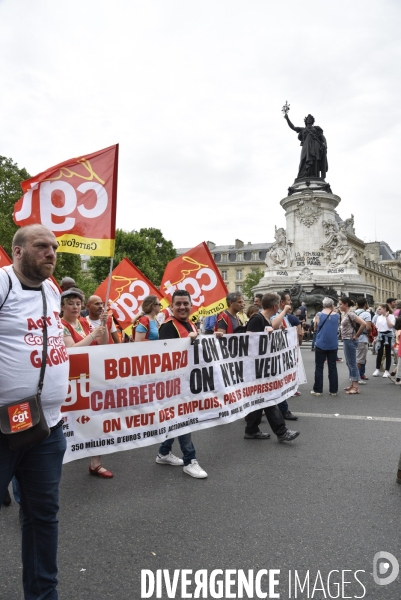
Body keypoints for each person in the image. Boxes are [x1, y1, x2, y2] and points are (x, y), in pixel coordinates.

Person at [0, 224, 70, 599]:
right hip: (2, 428)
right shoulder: (3, 283)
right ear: (18, 252)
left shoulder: (51, 288)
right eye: (42, 246)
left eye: (54, 247)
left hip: (46, 428)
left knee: (43, 518)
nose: (51, 253)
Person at [61, 288, 113, 479]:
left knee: (96, 418)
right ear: (63, 306)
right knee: (71, 420)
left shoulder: (84, 322)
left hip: (91, 377)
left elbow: (103, 344)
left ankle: (95, 463)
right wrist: (92, 335)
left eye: (77, 303)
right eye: (70, 303)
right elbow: (71, 349)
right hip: (72, 381)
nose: (75, 307)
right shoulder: (61, 325)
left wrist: (104, 325)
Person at [156, 290, 207, 478]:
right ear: (172, 307)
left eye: (185, 303)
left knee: (177, 418)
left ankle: (163, 452)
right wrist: (188, 341)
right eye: (178, 304)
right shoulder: (168, 326)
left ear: (191, 305)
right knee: (183, 418)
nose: (182, 307)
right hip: (174, 383)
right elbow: (166, 355)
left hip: (187, 380)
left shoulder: (190, 323)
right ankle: (189, 460)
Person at [245, 293, 300, 442]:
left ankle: (251, 429)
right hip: (256, 367)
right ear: (275, 306)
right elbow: (247, 340)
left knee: (260, 399)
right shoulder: (257, 318)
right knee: (269, 399)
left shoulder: (265, 319)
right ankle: (281, 432)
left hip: (262, 367)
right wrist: (265, 333)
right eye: (278, 307)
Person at [271, 291, 300, 417]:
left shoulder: (285, 317)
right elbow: (274, 325)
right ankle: (283, 410)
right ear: (282, 303)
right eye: (288, 300)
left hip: (283, 355)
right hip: (276, 356)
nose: (291, 303)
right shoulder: (276, 316)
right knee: (278, 383)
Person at [310, 298, 340, 396]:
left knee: (319, 367)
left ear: (323, 305)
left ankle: (318, 390)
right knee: (332, 367)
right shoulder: (337, 315)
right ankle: (333, 390)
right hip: (333, 344)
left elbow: (315, 327)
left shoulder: (319, 315)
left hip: (321, 343)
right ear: (332, 305)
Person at [284, 112, 328, 179]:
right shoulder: (303, 129)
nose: (309, 119)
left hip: (315, 146)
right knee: (304, 159)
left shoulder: (316, 129)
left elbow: (322, 137)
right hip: (306, 146)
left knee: (315, 160)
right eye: (307, 118)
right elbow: (293, 127)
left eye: (310, 119)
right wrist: (287, 119)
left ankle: (315, 176)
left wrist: (325, 143)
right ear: (306, 120)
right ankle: (303, 175)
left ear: (312, 121)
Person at [338, 297, 366, 394]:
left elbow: (363, 323)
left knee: (352, 363)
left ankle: (355, 387)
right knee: (349, 363)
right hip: (347, 339)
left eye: (341, 304)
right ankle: (352, 384)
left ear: (346, 304)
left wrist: (356, 335)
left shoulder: (350, 313)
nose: (339, 306)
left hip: (350, 339)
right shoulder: (346, 314)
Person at [372, 304, 396, 378]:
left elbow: (391, 326)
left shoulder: (391, 316)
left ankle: (387, 370)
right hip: (380, 335)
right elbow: (377, 328)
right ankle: (377, 369)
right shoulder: (379, 317)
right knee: (380, 352)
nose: (378, 310)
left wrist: (386, 317)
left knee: (388, 353)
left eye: (380, 309)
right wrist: (375, 338)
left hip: (388, 335)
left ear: (384, 309)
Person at [354, 298, 372, 384]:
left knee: (354, 358)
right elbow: (368, 327)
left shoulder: (354, 313)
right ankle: (356, 377)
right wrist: (369, 333)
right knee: (360, 359)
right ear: (365, 304)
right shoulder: (366, 314)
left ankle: (353, 375)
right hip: (362, 337)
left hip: (353, 337)